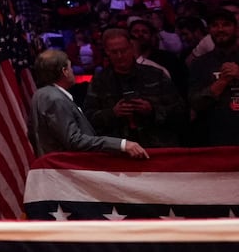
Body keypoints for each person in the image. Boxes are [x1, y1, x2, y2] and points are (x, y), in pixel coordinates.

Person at [27, 49, 148, 158]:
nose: (72, 71)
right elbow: (74, 140)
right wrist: (121, 144)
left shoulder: (41, 94)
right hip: (66, 171)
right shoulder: (54, 98)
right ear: (65, 71)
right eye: (70, 67)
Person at [83, 28, 184, 148]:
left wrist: (152, 110)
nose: (120, 56)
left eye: (123, 50)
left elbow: (180, 111)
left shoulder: (156, 75)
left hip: (157, 145)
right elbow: (88, 118)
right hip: (118, 149)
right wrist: (113, 113)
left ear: (131, 47)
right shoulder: (99, 81)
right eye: (114, 52)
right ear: (107, 52)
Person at [187, 9, 239, 146]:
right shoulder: (199, 64)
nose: (220, 29)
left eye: (226, 24)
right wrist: (222, 81)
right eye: (215, 25)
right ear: (209, 30)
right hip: (213, 136)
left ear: (236, 29)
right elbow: (194, 103)